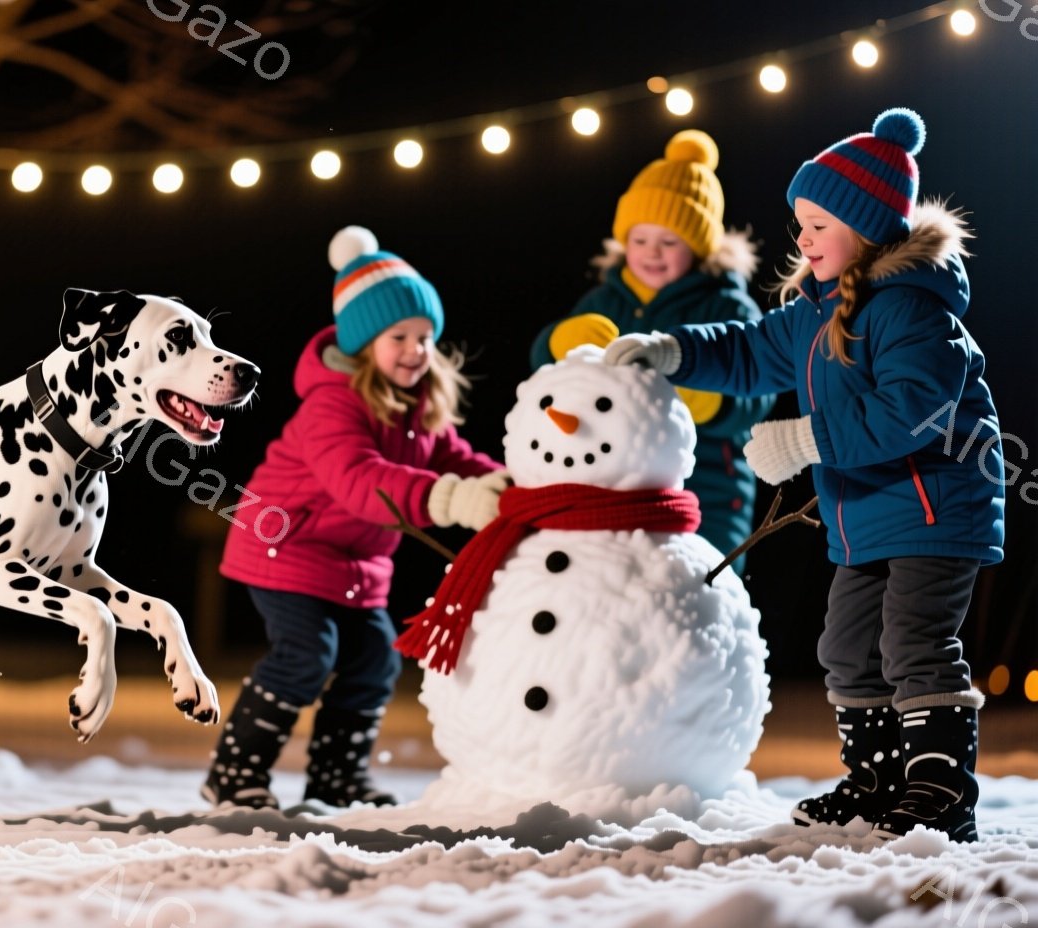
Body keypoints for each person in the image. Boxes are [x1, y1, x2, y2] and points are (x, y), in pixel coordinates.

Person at [605, 109, 1003, 842]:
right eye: (801, 223)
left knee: (914, 643)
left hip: (936, 507)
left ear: (870, 228)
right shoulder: (813, 313)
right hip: (867, 514)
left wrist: (806, 441)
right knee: (848, 648)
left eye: (820, 223)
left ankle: (941, 791)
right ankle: (879, 781)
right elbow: (749, 350)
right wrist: (671, 351)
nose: (804, 238)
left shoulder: (912, 307)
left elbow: (916, 410)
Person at [207, 226, 507, 809]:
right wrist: (450, 499)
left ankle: (335, 778)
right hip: (284, 546)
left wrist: (504, 484)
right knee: (306, 655)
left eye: (426, 337)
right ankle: (234, 773)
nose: (417, 350)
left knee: (374, 656)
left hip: (352, 564)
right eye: (400, 336)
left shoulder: (416, 405)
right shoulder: (333, 402)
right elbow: (358, 480)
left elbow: (452, 457)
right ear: (364, 340)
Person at [531, 130, 773, 566]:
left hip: (708, 488)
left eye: (669, 242)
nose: (651, 253)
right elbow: (545, 373)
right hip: (611, 480)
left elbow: (759, 386)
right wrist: (558, 343)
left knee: (699, 590)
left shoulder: (726, 304)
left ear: (698, 247)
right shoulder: (605, 300)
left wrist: (700, 395)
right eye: (640, 240)